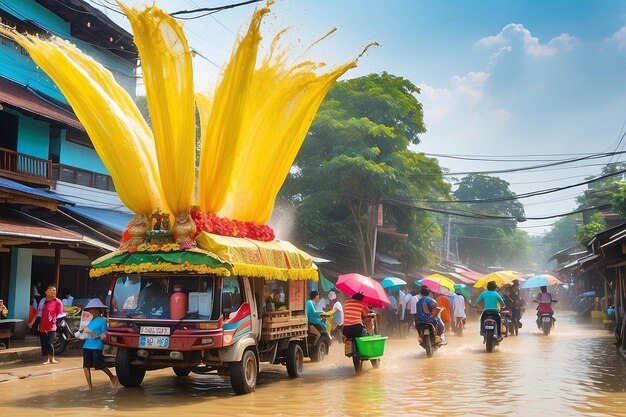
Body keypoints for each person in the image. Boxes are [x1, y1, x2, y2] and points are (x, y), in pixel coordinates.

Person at [79, 298, 119, 391]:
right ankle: (89, 386)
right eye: (89, 310)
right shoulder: (89, 321)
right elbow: (85, 333)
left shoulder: (102, 320)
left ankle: (112, 377)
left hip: (97, 346)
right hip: (87, 345)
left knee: (99, 364)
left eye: (91, 310)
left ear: (96, 310)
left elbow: (104, 335)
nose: (90, 311)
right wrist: (83, 331)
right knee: (86, 366)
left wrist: (93, 334)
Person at [28, 285, 63, 365]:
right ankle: (45, 359)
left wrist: (57, 322)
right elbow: (38, 313)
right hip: (43, 325)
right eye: (50, 290)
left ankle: (52, 359)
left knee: (49, 343)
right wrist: (32, 322)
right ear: (46, 292)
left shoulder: (58, 302)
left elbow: (60, 314)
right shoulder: (42, 301)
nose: (53, 291)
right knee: (43, 343)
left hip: (52, 326)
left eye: (54, 290)